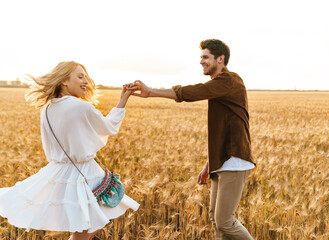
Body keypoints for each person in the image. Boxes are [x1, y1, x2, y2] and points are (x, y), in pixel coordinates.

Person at [127, 39, 256, 239]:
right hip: (221, 161)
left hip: (235, 161)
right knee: (216, 219)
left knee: (225, 222)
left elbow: (192, 92)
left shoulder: (230, 81)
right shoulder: (219, 86)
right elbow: (223, 131)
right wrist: (209, 164)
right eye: (201, 57)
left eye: (206, 57)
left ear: (220, 59)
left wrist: (151, 91)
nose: (201, 61)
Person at [0, 61, 139, 240]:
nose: (86, 82)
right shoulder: (81, 107)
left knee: (85, 225)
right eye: (80, 77)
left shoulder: (48, 107)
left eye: (86, 77)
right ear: (64, 81)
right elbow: (108, 127)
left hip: (59, 171)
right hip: (84, 172)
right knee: (92, 223)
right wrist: (123, 99)